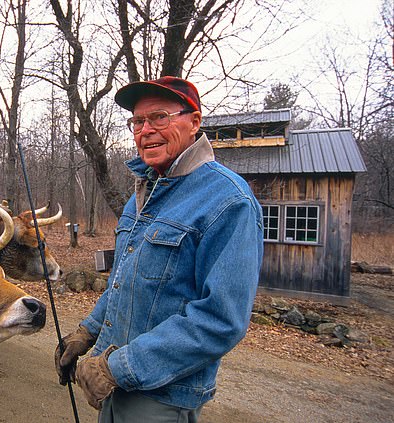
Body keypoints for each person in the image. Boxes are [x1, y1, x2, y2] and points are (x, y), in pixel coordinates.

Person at [55, 76, 264, 422]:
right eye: (138, 121)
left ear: (194, 122)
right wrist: (87, 332)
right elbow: (125, 282)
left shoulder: (229, 201)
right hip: (114, 387)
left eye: (160, 118)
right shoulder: (145, 193)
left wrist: (116, 368)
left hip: (162, 399)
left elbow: (221, 320)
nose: (145, 130)